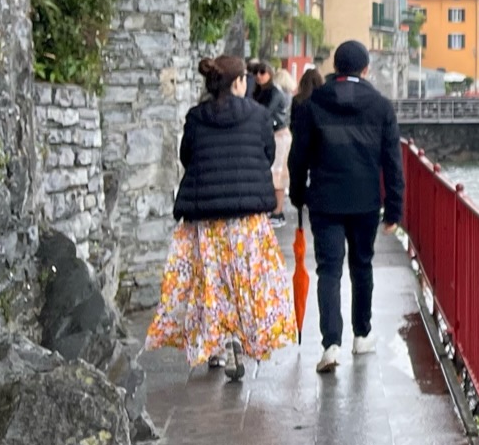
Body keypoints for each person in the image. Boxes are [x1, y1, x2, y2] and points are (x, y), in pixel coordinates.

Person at [145, 54, 296, 380]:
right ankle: (237, 341)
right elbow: (268, 153)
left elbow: (187, 156)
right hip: (247, 220)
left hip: (207, 218)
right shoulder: (258, 116)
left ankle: (216, 346)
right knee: (243, 283)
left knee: (212, 283)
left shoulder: (196, 117)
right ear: (239, 82)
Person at [287, 40, 403, 373]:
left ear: (336, 67)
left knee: (329, 270)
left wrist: (298, 194)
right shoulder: (380, 106)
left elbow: (299, 156)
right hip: (365, 200)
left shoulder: (313, 104)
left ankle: (330, 344)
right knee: (362, 265)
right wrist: (394, 209)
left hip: (324, 199)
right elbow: (393, 162)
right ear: (365, 69)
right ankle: (362, 335)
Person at [248, 59, 294, 225]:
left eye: (262, 72)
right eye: (256, 73)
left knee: (278, 173)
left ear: (270, 73)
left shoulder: (274, 92)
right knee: (269, 172)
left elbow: (265, 112)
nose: (259, 76)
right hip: (266, 134)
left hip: (279, 134)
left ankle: (278, 212)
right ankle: (271, 209)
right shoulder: (257, 91)